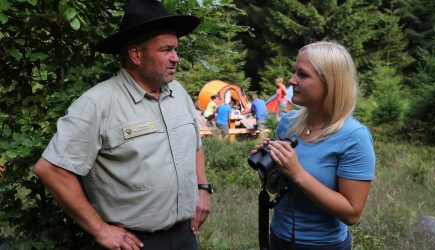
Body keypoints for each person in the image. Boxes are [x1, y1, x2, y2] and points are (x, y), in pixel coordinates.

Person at [33, 1, 212, 249]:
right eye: (166, 50)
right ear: (136, 55)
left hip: (184, 236)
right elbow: (50, 169)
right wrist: (101, 230)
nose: (176, 58)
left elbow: (195, 144)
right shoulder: (98, 103)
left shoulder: (178, 93)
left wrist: (203, 188)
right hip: (133, 243)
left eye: (176, 49)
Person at [251, 41, 375, 249]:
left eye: (303, 74)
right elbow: (275, 189)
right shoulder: (287, 123)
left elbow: (352, 213)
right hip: (279, 237)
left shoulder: (354, 137)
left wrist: (298, 173)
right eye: (294, 72)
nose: (292, 80)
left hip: (324, 244)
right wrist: (268, 170)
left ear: (330, 83)